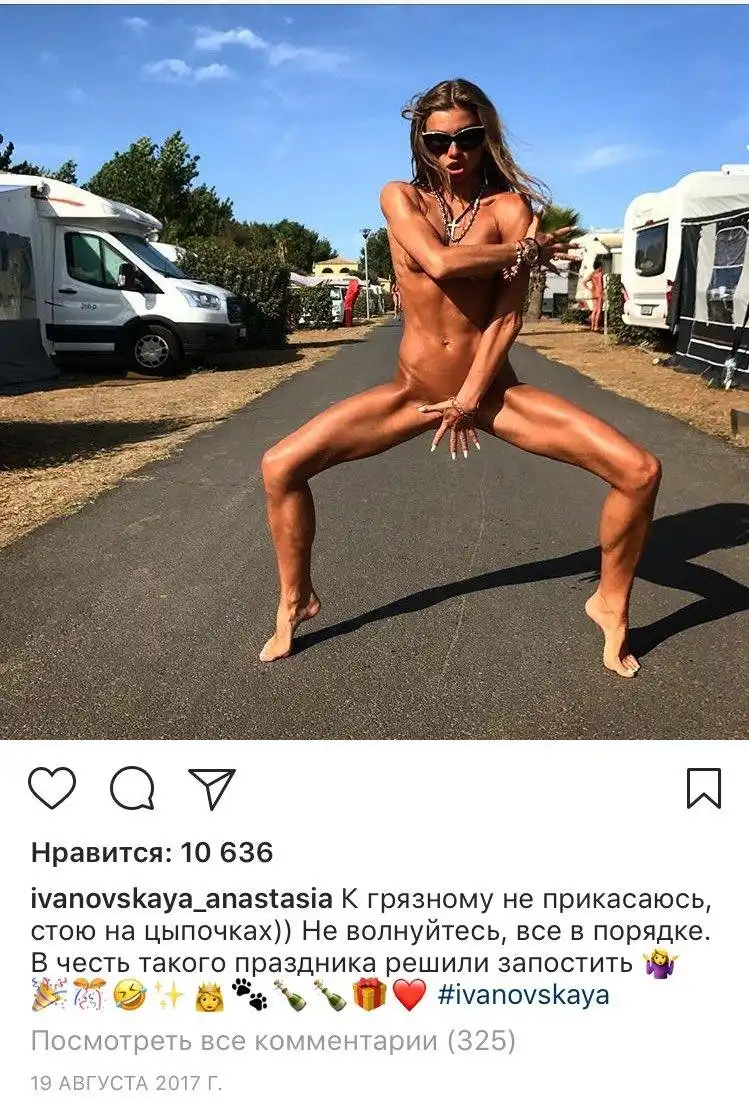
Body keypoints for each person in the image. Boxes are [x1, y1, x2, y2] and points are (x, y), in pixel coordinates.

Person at [260, 78, 661, 677]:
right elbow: (440, 262)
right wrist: (524, 252)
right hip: (412, 393)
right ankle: (296, 600)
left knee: (640, 472)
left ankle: (610, 604)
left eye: (468, 138)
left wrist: (471, 395)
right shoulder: (400, 198)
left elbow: (506, 317)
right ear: (420, 143)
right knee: (280, 466)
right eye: (438, 140)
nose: (454, 152)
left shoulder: (510, 210)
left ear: (485, 138)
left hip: (493, 393)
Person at [583, 259, 605, 332]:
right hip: (599, 293)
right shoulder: (600, 274)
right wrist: (603, 293)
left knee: (594, 310)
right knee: (598, 311)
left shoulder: (592, 274)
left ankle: (592, 326)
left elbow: (584, 282)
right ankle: (596, 326)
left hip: (594, 292)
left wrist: (589, 289)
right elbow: (600, 284)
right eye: (601, 266)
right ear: (599, 266)